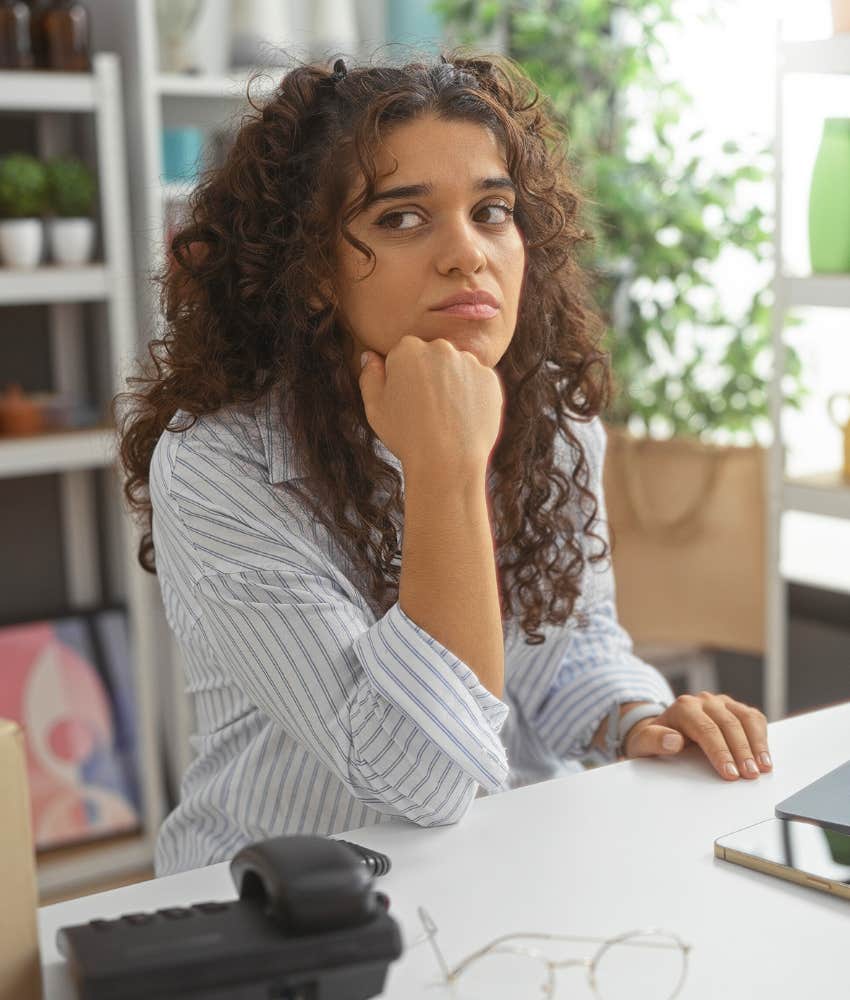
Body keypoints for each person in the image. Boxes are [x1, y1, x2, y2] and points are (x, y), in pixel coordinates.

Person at [115, 50, 773, 877]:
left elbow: (568, 644)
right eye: (401, 218)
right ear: (313, 271)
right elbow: (423, 779)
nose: (467, 253)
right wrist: (448, 469)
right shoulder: (217, 463)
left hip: (508, 869)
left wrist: (636, 717)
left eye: (492, 211)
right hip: (284, 897)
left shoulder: (554, 418)